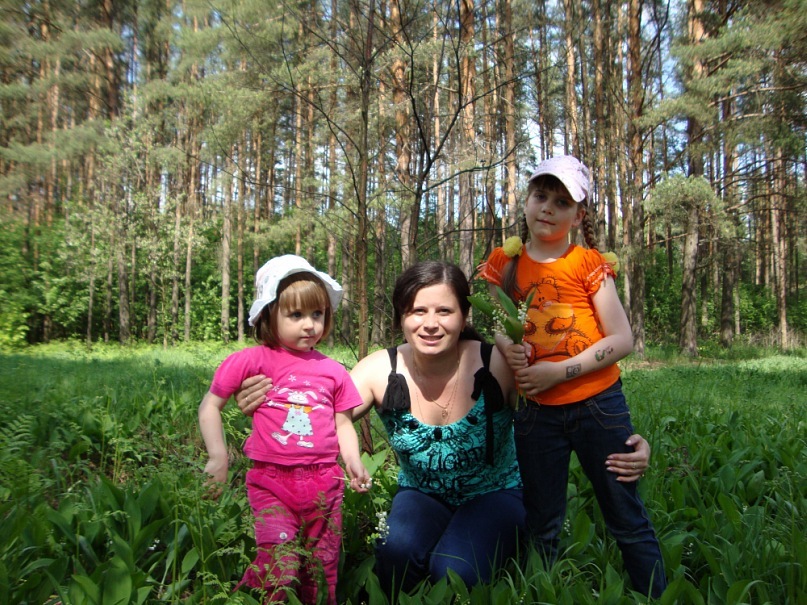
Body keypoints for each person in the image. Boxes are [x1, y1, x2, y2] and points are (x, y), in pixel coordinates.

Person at [235, 260, 652, 596]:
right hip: (421, 494)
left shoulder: (495, 363)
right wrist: (265, 400)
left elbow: (560, 417)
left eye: (444, 311)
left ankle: (497, 545)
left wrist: (620, 441)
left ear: (464, 315)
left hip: (496, 493)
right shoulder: (380, 370)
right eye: (417, 311)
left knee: (455, 573)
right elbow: (315, 417)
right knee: (394, 557)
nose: (430, 323)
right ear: (402, 316)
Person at [477, 155, 667, 597]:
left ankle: (655, 595)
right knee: (542, 521)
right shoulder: (504, 262)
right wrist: (509, 347)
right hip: (535, 413)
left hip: (599, 405)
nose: (547, 208)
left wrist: (557, 371)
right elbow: (498, 325)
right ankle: (542, 593)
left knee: (625, 514)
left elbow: (622, 339)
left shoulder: (587, 264)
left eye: (562, 202)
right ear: (527, 200)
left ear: (578, 217)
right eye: (540, 196)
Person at [198, 254, 370, 605]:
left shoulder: (333, 371)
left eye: (317, 314)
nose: (309, 325)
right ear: (269, 315)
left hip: (325, 481)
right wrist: (218, 457)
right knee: (281, 564)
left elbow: (342, 422)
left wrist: (353, 460)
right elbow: (210, 406)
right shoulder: (251, 360)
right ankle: (247, 597)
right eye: (296, 315)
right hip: (271, 481)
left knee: (321, 568)